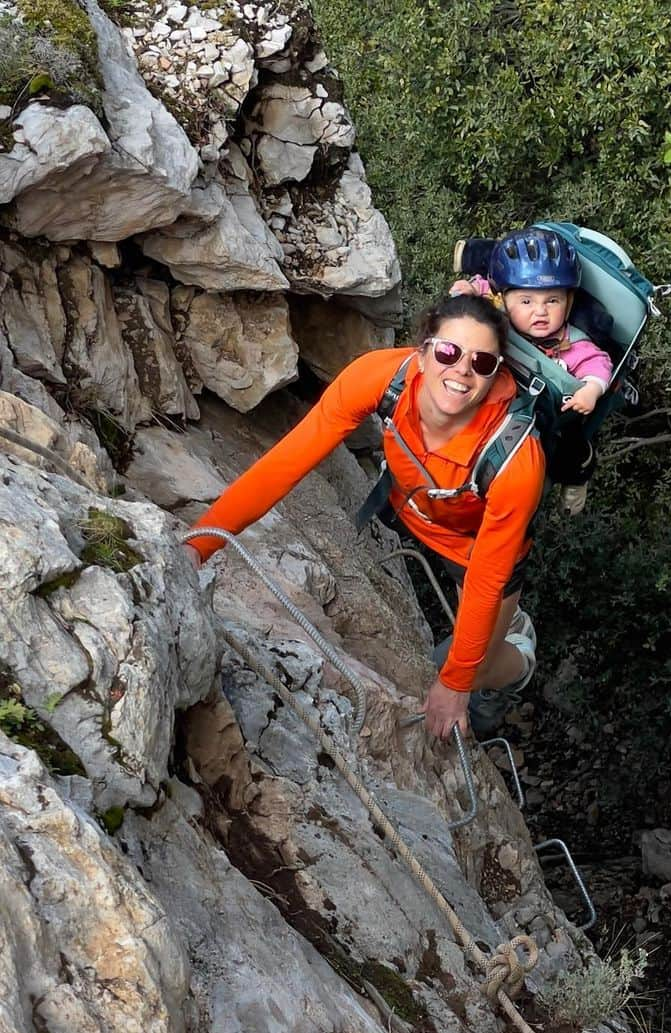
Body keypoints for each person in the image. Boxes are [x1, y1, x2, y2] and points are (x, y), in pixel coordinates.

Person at [184, 293, 545, 741]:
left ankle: (520, 659)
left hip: (477, 551)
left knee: (476, 667)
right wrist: (199, 545)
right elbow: (284, 465)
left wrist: (454, 684)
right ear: (424, 348)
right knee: (458, 659)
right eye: (449, 352)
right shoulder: (379, 377)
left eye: (482, 362)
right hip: (416, 513)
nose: (462, 371)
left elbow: (488, 578)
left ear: (495, 374)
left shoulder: (516, 460)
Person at [451, 227, 613, 513]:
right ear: (504, 299)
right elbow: (485, 288)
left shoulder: (573, 343)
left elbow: (599, 364)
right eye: (526, 301)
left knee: (570, 450)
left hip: (546, 419)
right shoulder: (498, 306)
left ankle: (576, 478)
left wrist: (591, 389)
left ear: (569, 302)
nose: (540, 311)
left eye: (553, 301)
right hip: (500, 398)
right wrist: (471, 290)